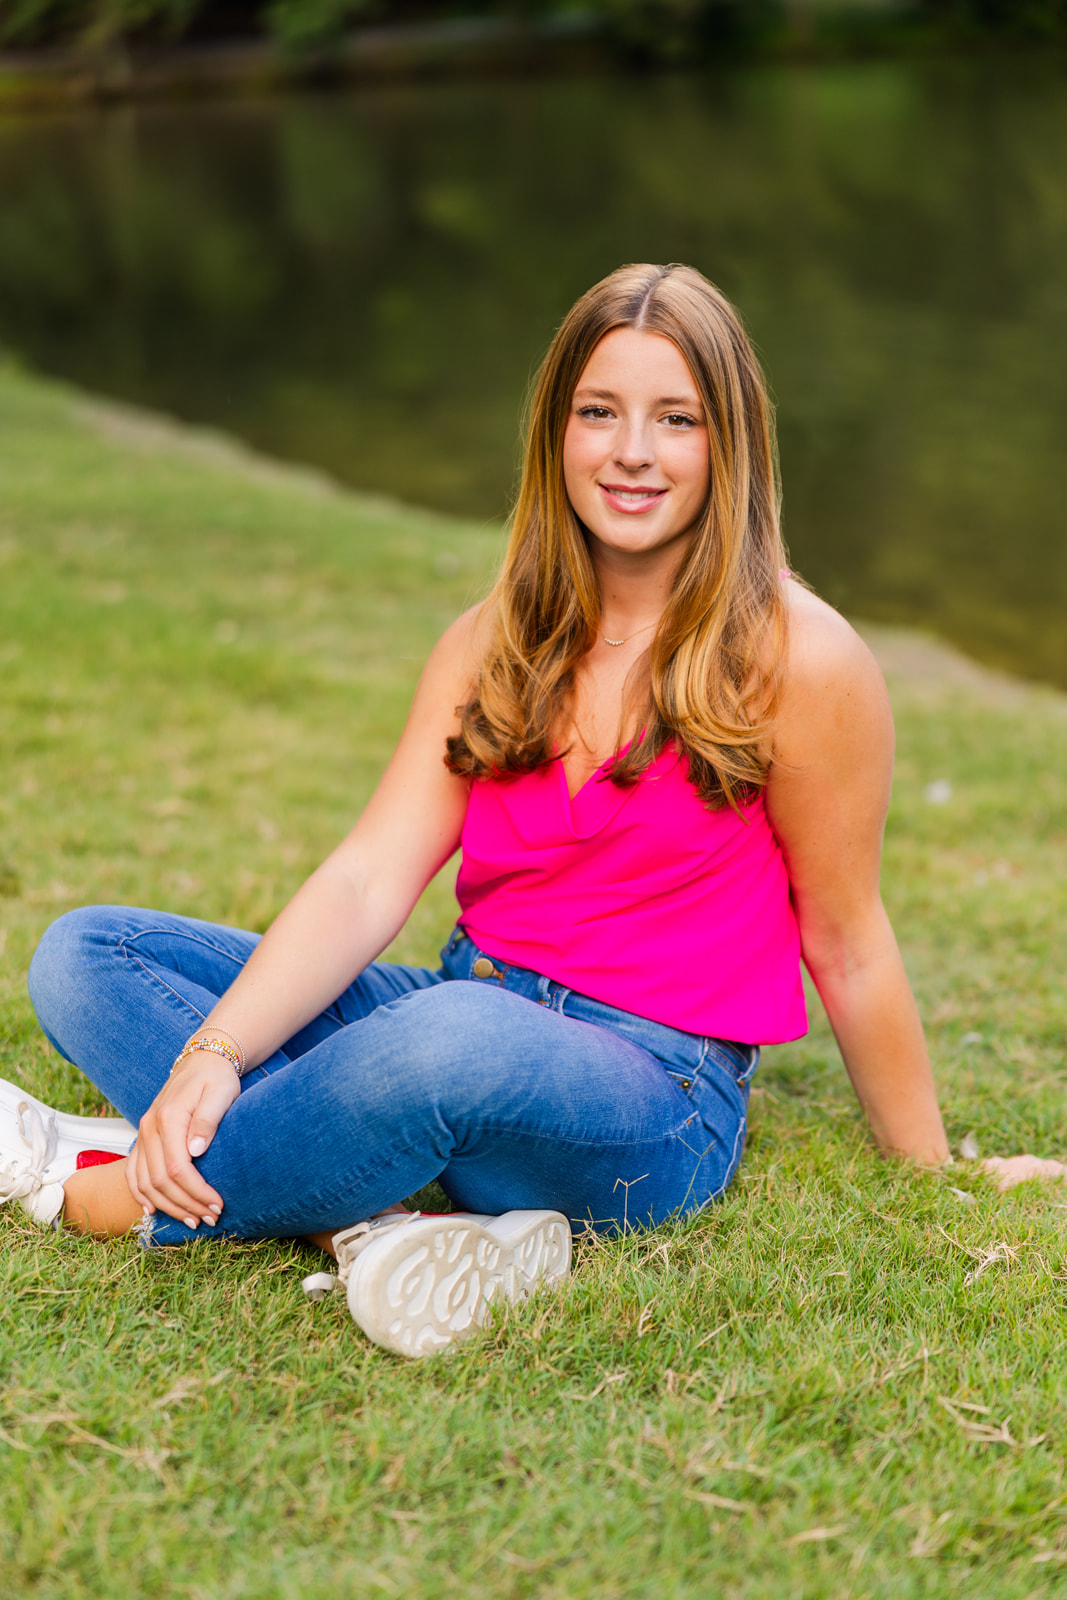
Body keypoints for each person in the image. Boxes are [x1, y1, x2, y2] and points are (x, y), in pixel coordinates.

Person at [2, 263, 1058, 1358]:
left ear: (728, 443)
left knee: (438, 1045)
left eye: (675, 419)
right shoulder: (492, 637)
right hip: (468, 1001)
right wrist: (214, 1053)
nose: (631, 451)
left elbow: (845, 937)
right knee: (89, 953)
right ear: (556, 430)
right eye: (598, 412)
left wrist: (932, 1168)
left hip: (650, 1091)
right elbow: (370, 874)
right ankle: (365, 1211)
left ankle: (95, 1186)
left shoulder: (803, 657)